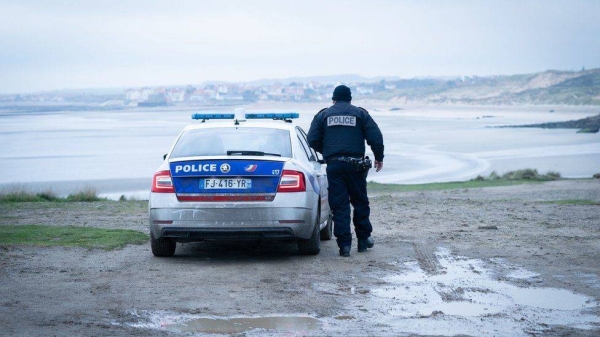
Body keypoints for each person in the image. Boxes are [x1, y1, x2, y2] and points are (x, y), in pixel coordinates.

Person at [307, 85, 384, 257]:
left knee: (340, 205)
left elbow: (311, 139)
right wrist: (379, 157)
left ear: (333, 99)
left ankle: (344, 246)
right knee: (360, 202)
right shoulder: (360, 113)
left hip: (334, 166)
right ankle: (363, 240)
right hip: (356, 166)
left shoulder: (324, 115)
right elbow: (376, 137)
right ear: (350, 99)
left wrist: (327, 151)